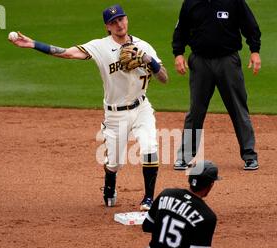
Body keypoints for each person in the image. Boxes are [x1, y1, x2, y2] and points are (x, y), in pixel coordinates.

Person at [9, 4, 168, 211]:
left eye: (121, 19)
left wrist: (149, 60)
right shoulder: (100, 46)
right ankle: (109, 181)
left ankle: (148, 199)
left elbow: (164, 77)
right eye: (113, 22)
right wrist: (33, 44)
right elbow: (67, 53)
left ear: (127, 19)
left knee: (149, 147)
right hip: (115, 114)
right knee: (114, 164)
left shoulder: (144, 46)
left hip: (142, 108)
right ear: (107, 27)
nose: (119, 24)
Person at [172, 0, 261, 171]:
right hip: (200, 61)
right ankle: (184, 157)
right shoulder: (191, 2)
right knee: (196, 111)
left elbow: (250, 25)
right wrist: (178, 53)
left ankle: (249, 156)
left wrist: (255, 50)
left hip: (228, 61)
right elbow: (181, 29)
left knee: (238, 108)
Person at [130, 160, 231, 248]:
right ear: (211, 185)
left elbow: (147, 226)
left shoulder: (166, 194)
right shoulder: (207, 216)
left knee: (161, 246)